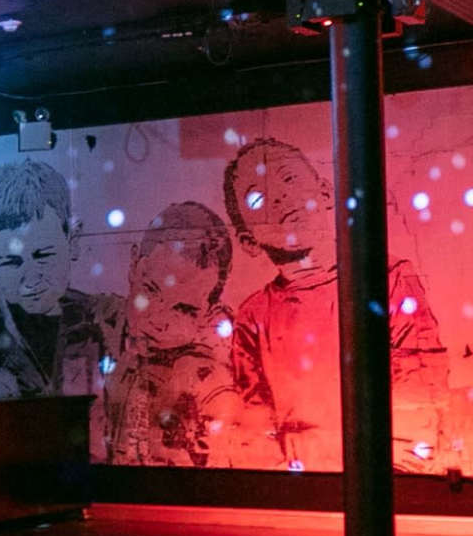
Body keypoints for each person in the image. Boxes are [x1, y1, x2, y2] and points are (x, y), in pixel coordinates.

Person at [221, 136, 447, 469]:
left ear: (326, 191)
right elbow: (254, 421)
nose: (280, 198)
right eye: (258, 198)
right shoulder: (253, 315)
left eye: (289, 178)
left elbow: (420, 387)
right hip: (298, 489)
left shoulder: (389, 278)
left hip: (381, 480)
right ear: (247, 240)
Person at [99, 203, 269, 465]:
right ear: (134, 265)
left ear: (209, 313)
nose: (158, 320)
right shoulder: (107, 340)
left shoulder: (207, 383)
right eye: (151, 291)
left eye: (183, 309)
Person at [0, 154, 113, 401]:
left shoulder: (106, 322)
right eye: (10, 262)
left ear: (72, 242)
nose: (31, 279)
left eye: (43, 255)